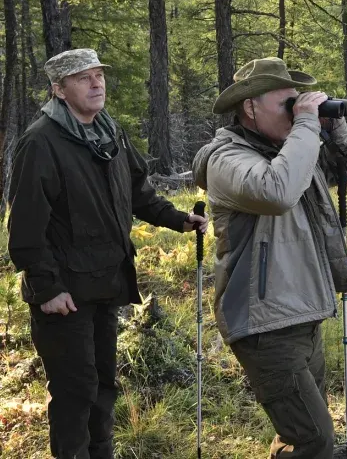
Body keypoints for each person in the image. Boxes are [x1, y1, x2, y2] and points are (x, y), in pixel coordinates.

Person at [7, 48, 208, 459]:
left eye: (99, 75)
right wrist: (47, 289)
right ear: (60, 90)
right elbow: (25, 228)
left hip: (107, 281)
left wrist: (177, 219)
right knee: (74, 390)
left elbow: (137, 191)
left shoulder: (107, 131)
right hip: (65, 294)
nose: (96, 83)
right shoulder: (41, 142)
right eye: (84, 78)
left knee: (103, 384)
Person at [192, 57, 347, 459]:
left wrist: (333, 128)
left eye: (298, 102)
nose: (297, 111)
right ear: (250, 107)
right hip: (263, 322)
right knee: (314, 439)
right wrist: (304, 126)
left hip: (301, 313)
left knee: (295, 435)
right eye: (287, 104)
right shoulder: (225, 160)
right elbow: (277, 193)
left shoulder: (287, 148)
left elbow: (345, 168)